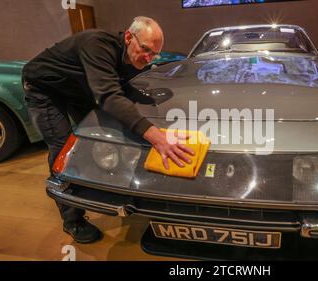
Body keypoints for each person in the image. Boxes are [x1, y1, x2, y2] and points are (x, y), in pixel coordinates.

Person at [22, 17, 194, 243]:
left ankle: (99, 185)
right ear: (128, 37)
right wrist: (155, 136)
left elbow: (122, 89)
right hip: (44, 88)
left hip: (75, 88)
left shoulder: (131, 57)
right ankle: (73, 220)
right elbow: (109, 96)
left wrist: (157, 112)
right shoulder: (97, 44)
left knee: (101, 132)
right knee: (65, 148)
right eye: (145, 49)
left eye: (154, 54)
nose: (149, 58)